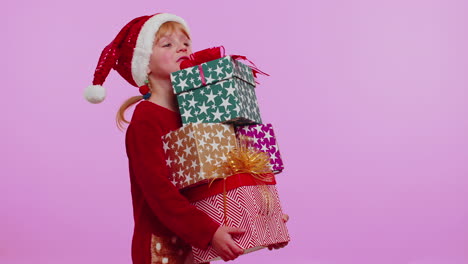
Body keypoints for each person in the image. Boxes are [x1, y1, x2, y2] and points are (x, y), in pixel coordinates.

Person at [84, 13, 287, 264]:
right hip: (162, 249)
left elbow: (225, 173)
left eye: (186, 42)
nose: (182, 47)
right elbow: (158, 191)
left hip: (197, 246)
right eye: (167, 44)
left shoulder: (199, 112)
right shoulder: (146, 119)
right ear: (144, 64)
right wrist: (208, 232)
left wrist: (262, 216)